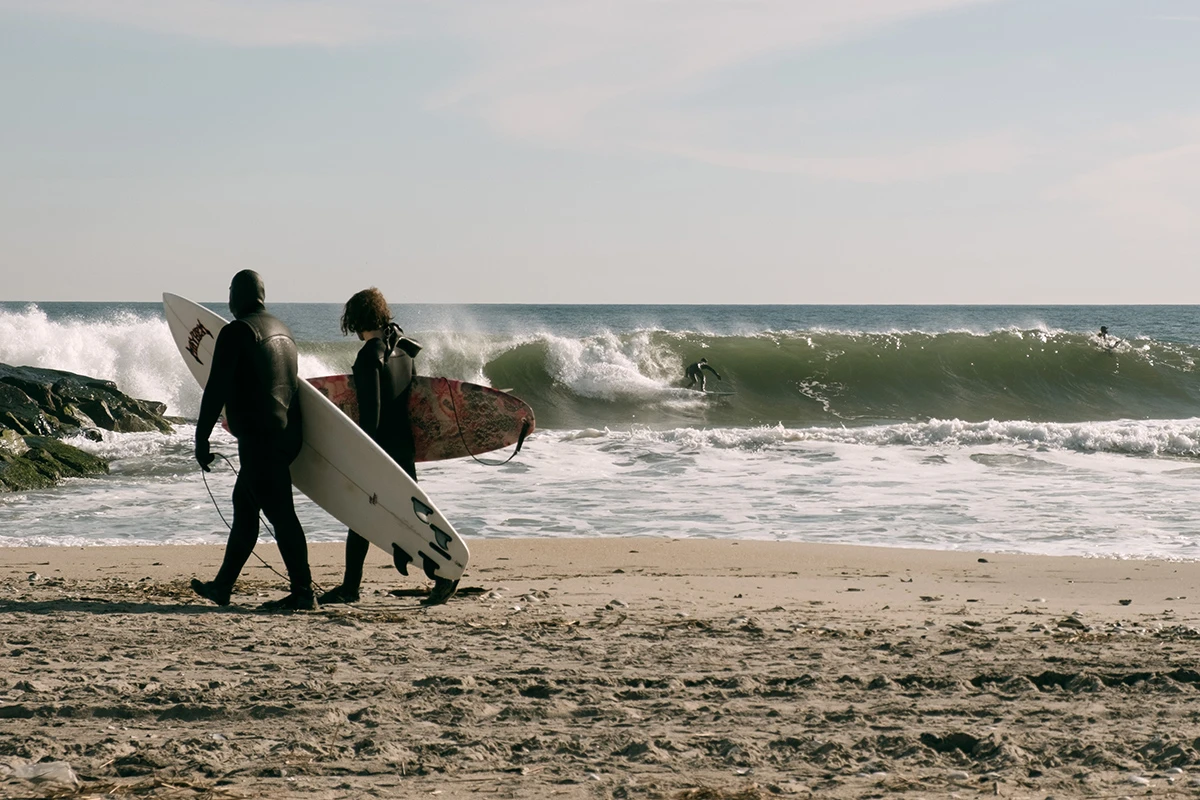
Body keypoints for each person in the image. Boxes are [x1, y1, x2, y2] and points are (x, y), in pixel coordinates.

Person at [191, 270, 316, 611]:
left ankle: (304, 593)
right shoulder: (283, 331)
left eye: (230, 291)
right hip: (285, 435)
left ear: (237, 294)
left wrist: (201, 437)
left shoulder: (237, 332)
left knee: (281, 514)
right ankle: (223, 587)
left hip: (260, 438)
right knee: (246, 509)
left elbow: (215, 388)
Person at [318, 287, 427, 605]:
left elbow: (371, 417)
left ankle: (350, 587)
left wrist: (358, 457)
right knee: (410, 515)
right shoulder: (404, 352)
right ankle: (432, 568)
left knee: (359, 518)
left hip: (381, 451)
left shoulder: (368, 356)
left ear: (354, 320)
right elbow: (414, 402)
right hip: (404, 449)